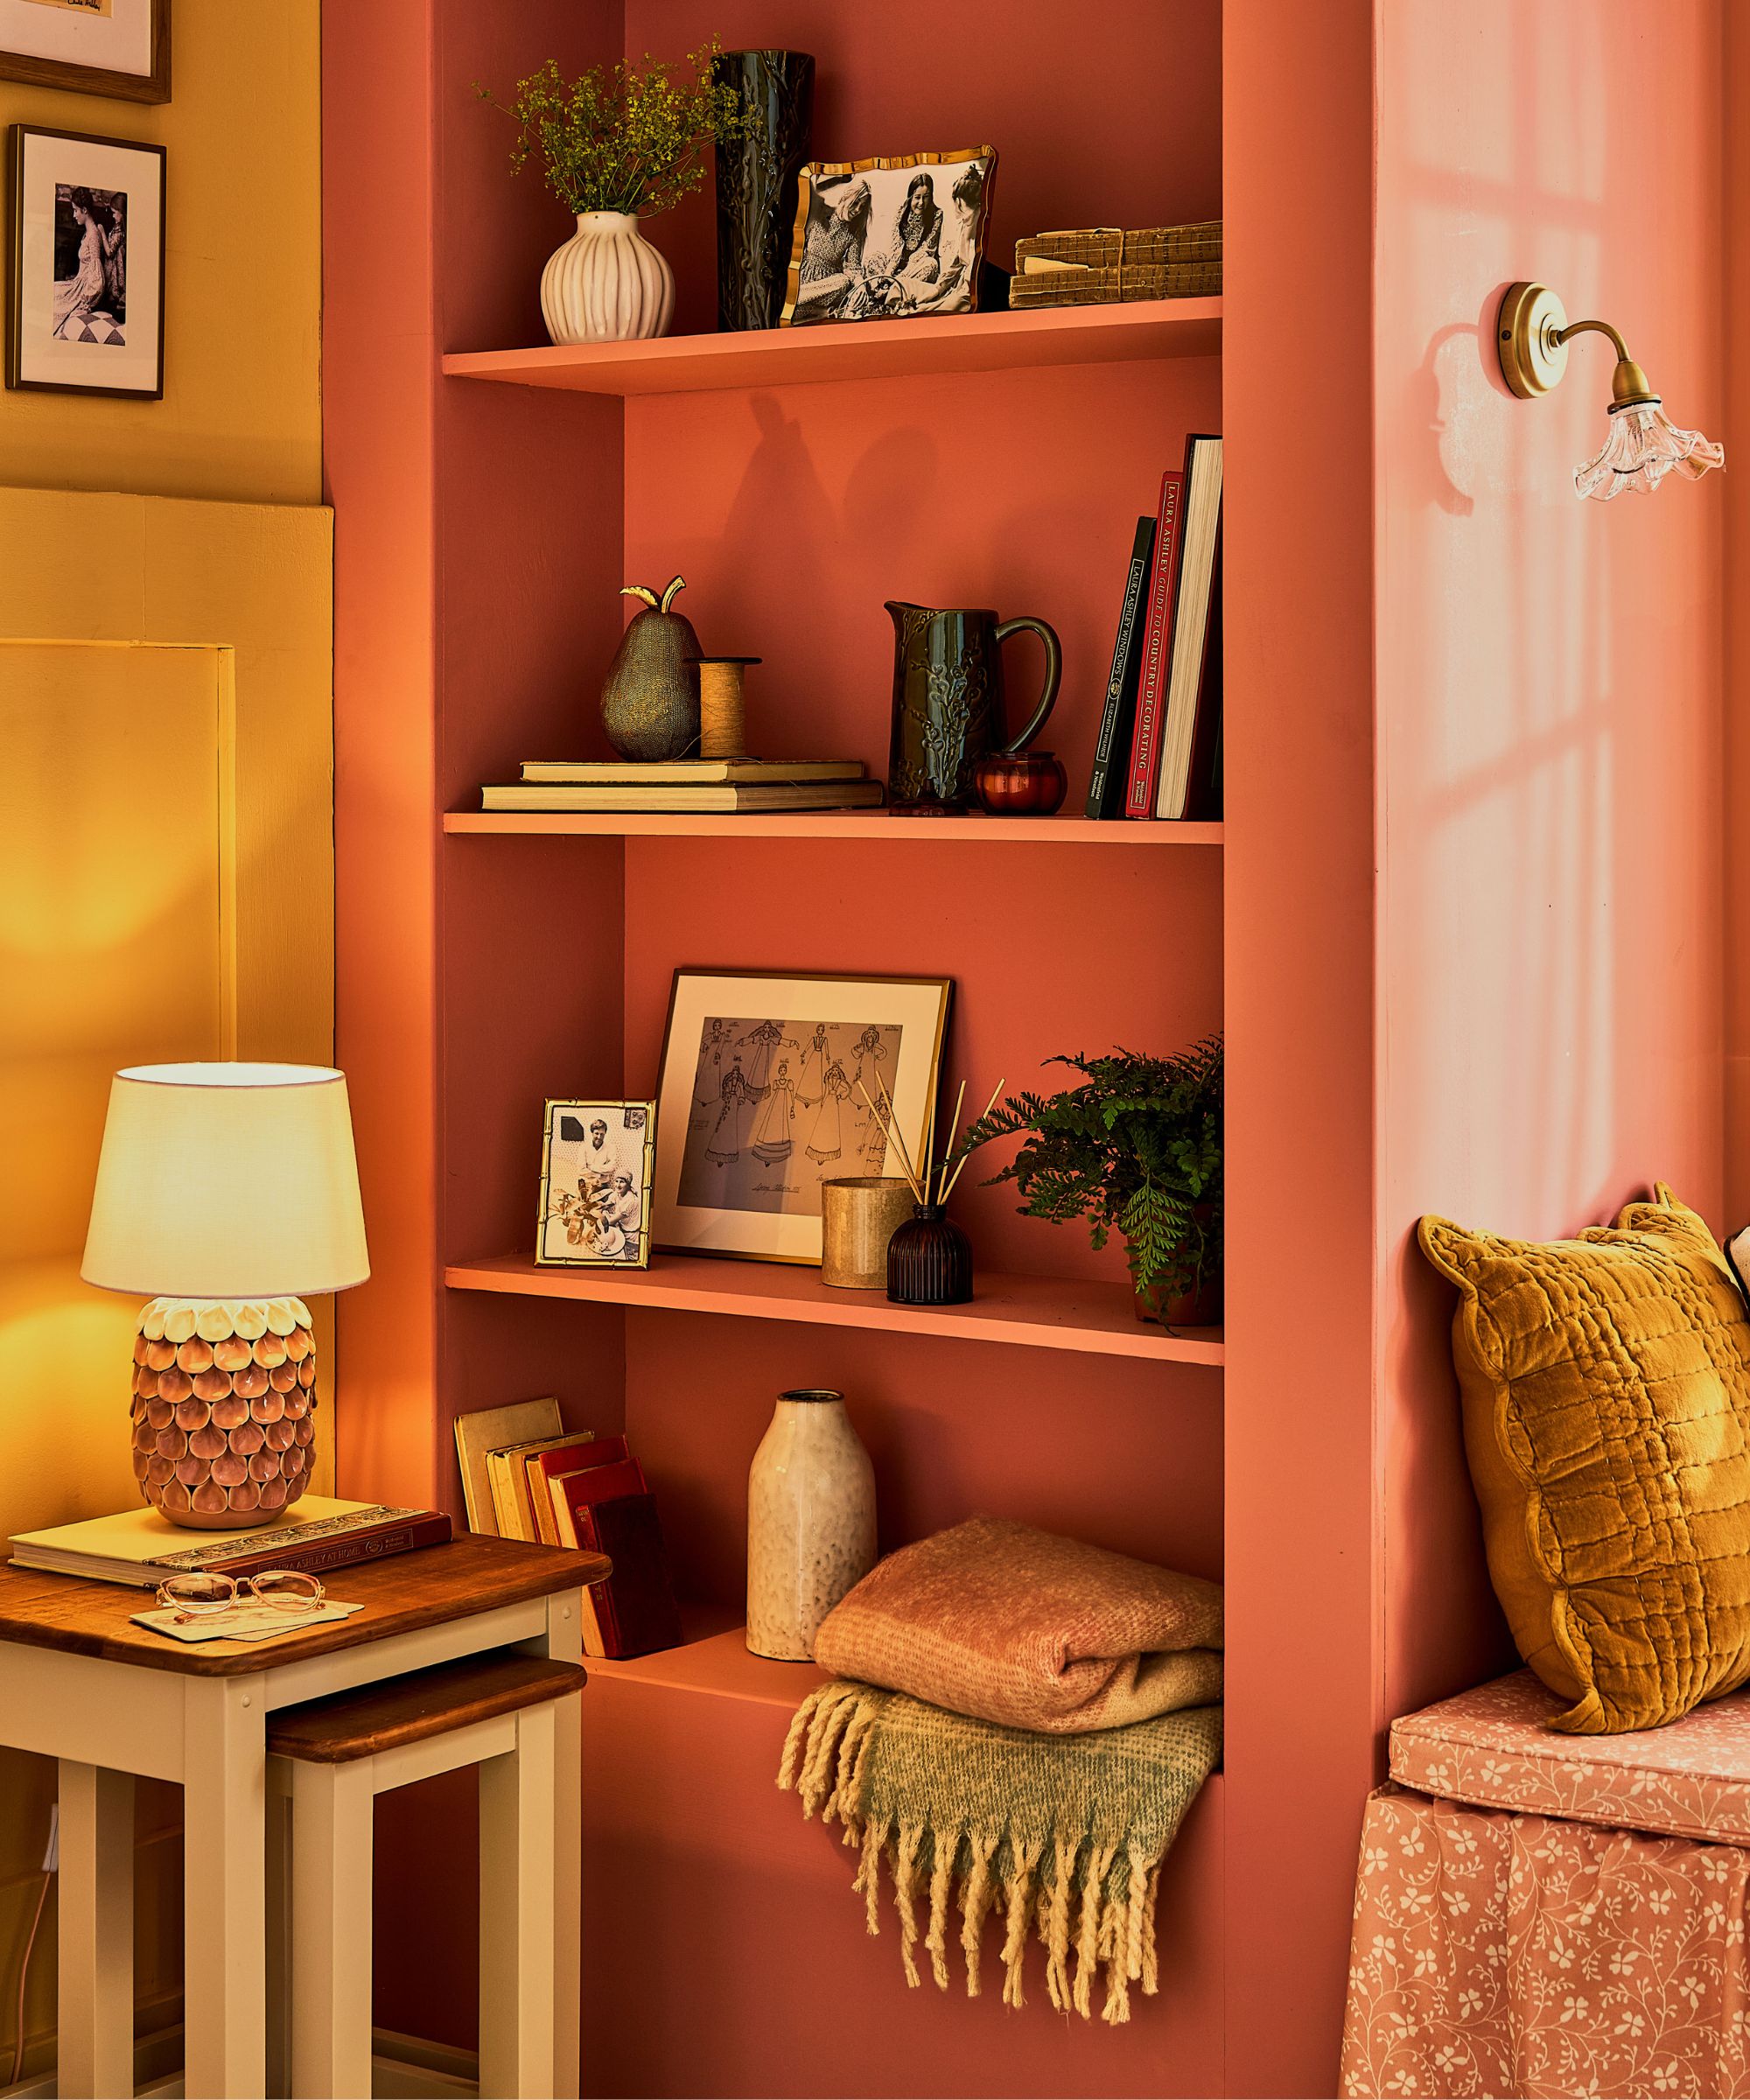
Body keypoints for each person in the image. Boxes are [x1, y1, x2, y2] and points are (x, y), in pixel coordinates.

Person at [794, 178, 874, 322]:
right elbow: (799, 243)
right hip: (805, 273)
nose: (857, 210)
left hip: (828, 285)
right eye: (855, 203)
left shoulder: (855, 231)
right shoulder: (822, 213)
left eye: (862, 207)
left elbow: (852, 266)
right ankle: (820, 311)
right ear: (845, 197)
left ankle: (797, 298)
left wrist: (860, 285)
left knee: (843, 282)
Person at [52, 187, 108, 340]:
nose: (74, 215)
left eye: (76, 210)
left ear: (84, 210)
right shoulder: (88, 233)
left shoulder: (93, 235)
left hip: (83, 291)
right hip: (78, 283)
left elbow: (99, 279)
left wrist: (86, 302)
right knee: (53, 289)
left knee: (55, 300)